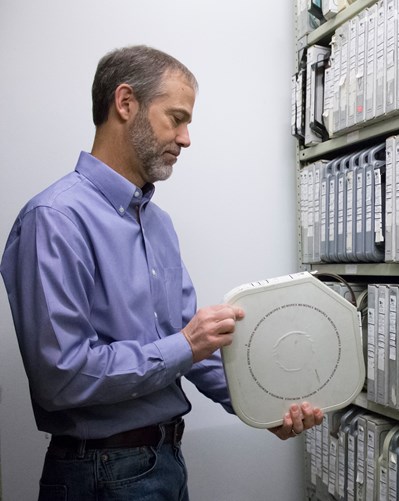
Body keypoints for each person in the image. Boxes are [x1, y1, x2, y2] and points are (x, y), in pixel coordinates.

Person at [0, 45, 323, 500]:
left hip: (165, 464)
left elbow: (194, 347)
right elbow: (62, 376)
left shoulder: (157, 223)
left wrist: (269, 409)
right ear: (126, 103)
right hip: (99, 473)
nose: (186, 138)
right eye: (176, 118)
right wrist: (185, 344)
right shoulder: (54, 219)